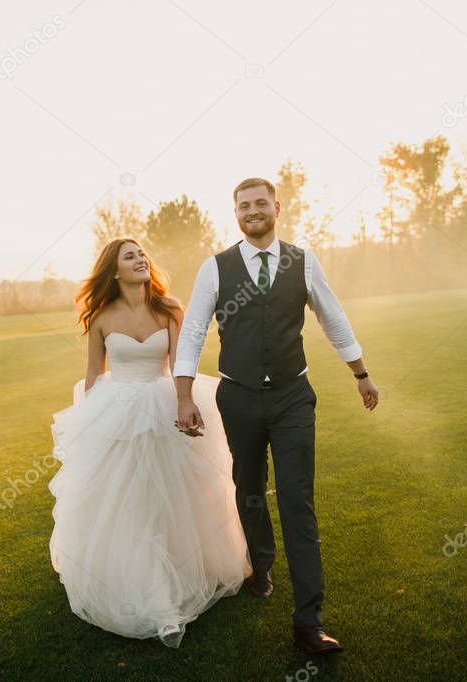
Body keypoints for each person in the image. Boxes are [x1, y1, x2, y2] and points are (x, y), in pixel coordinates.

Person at [173, 177, 379, 655]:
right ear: (236, 213)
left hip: (291, 398)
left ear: (277, 207)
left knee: (297, 499)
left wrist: (361, 373)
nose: (252, 211)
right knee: (248, 488)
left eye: (260, 203)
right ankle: (260, 563)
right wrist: (184, 395)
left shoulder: (302, 261)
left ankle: (309, 620)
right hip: (239, 398)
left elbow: (333, 317)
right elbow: (195, 331)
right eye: (244, 205)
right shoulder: (216, 268)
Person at [48, 238, 251, 649]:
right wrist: (89, 424)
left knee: (175, 497)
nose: (140, 259)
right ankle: (157, 600)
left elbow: (181, 364)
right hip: (117, 413)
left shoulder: (169, 308)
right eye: (130, 256)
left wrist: (186, 403)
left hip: (163, 407)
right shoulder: (102, 317)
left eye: (142, 254)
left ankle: (185, 571)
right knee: (132, 503)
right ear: (115, 271)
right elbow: (92, 374)